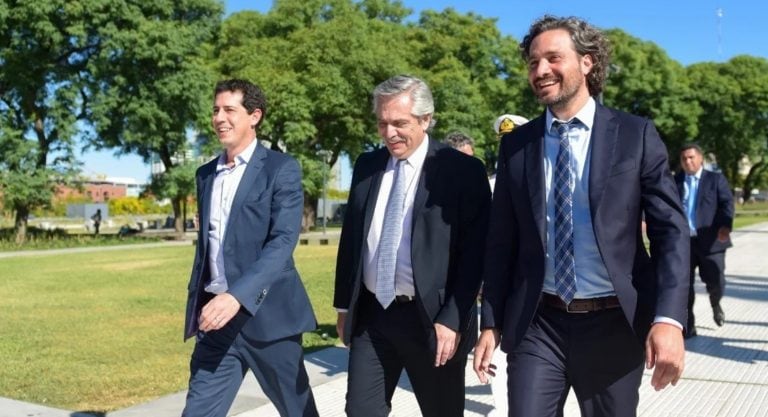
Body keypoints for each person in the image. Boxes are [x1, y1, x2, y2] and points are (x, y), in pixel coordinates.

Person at [473, 15, 690, 417]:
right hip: (539, 324)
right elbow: (501, 239)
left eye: (553, 58)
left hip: (614, 324)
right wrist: (490, 322)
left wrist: (669, 320)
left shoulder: (634, 134)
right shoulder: (517, 146)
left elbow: (670, 233)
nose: (540, 71)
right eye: (533, 62)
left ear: (587, 62)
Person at [334, 75, 491, 417]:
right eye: (382, 123)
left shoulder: (462, 171)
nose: (390, 133)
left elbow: (475, 255)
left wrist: (452, 318)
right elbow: (352, 240)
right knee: (360, 411)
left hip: (432, 321)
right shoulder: (367, 166)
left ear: (426, 119)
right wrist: (344, 306)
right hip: (373, 316)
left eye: (400, 123)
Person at [182, 79, 318, 417]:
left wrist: (236, 296)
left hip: (269, 318)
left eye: (229, 109)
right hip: (215, 322)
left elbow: (283, 241)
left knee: (298, 412)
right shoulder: (205, 175)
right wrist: (215, 298)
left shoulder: (280, 168)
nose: (219, 117)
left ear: (254, 115)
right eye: (215, 110)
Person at [675, 143, 734, 338]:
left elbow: (726, 204)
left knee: (716, 281)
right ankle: (689, 325)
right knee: (684, 285)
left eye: (691, 157)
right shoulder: (675, 180)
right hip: (684, 243)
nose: (688, 161)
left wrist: (725, 226)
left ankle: (715, 303)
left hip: (712, 241)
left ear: (701, 159)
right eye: (684, 158)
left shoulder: (715, 179)